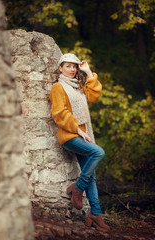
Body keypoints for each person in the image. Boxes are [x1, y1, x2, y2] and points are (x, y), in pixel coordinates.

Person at [49, 53, 110, 233]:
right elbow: (59, 113)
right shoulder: (58, 87)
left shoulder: (78, 87)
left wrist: (88, 71)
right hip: (70, 136)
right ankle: (77, 188)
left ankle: (95, 214)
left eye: (74, 66)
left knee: (91, 175)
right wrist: (78, 130)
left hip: (84, 135)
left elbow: (94, 96)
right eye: (68, 66)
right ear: (60, 68)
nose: (72, 69)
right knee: (98, 153)